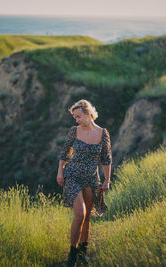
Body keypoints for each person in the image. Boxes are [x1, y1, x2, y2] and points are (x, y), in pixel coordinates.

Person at [57, 99, 112, 266]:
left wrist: (107, 180)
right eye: (74, 117)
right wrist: (60, 172)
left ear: (89, 115)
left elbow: (106, 159)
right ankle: (72, 255)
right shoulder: (74, 131)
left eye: (78, 116)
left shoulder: (103, 133)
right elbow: (65, 152)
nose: (76, 120)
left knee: (87, 216)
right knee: (79, 214)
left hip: (91, 177)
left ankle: (83, 252)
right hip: (72, 175)